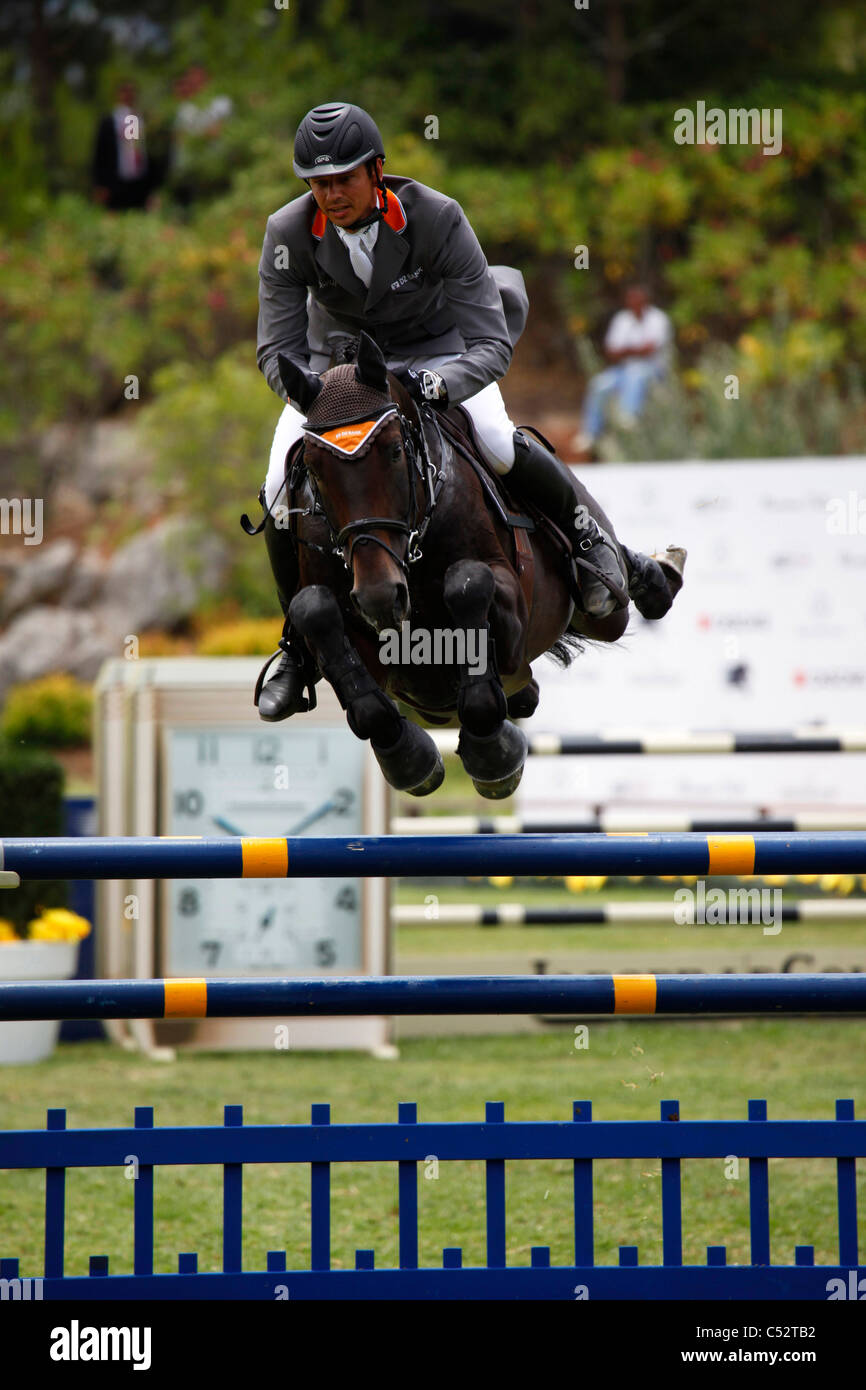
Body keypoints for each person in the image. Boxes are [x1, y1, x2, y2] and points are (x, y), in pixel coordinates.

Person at [255, 104, 667, 720]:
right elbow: (275, 348)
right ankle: (297, 643)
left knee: (498, 440)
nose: (331, 194)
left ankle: (595, 545)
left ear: (377, 170)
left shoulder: (437, 217)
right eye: (318, 183)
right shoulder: (287, 233)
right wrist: (319, 395)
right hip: (337, 377)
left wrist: (434, 383)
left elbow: (491, 344)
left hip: (439, 356)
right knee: (274, 486)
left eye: (343, 178)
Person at [572, 285, 671, 457]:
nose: (633, 303)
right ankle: (590, 432)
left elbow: (650, 350)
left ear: (645, 301)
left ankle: (628, 415)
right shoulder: (622, 320)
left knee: (636, 372)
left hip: (653, 371)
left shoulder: (658, 319)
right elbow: (611, 352)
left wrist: (626, 350)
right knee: (599, 384)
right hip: (623, 371)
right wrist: (636, 350)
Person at [92, 80, 152, 211]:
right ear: (118, 94)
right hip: (116, 181)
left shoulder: (141, 119)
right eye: (125, 91)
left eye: (132, 92)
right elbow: (100, 153)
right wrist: (100, 184)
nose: (129, 95)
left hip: (139, 181)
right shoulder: (109, 121)